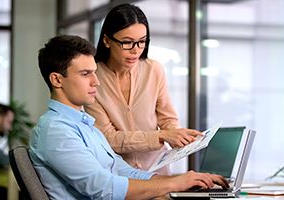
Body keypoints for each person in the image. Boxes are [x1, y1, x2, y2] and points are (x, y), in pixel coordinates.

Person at [30, 35, 228, 199]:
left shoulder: (85, 125)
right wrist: (174, 184)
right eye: (85, 74)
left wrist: (182, 181)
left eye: (95, 73)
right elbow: (104, 189)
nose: (96, 82)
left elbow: (124, 172)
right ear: (57, 79)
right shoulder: (55, 130)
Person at [84, 3, 201, 175]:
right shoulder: (92, 78)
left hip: (157, 173)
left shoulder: (154, 69)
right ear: (107, 40)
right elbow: (108, 138)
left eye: (141, 42)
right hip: (118, 176)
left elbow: (167, 118)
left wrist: (177, 133)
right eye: (127, 43)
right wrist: (161, 136)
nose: (136, 50)